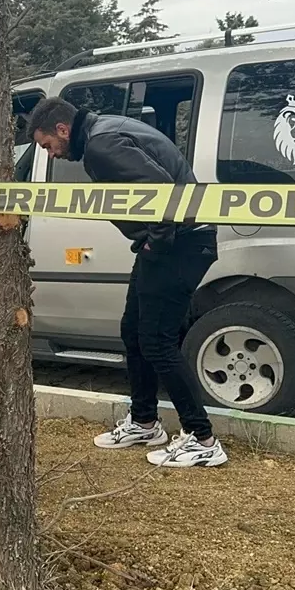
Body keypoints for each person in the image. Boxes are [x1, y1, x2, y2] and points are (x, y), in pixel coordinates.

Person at [26, 96, 227, 468]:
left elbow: (163, 191)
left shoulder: (101, 144)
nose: (51, 155)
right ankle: (145, 421)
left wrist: (157, 241)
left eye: (48, 146)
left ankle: (202, 438)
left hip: (180, 244)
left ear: (62, 130)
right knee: (133, 330)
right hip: (175, 242)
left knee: (156, 340)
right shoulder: (106, 130)